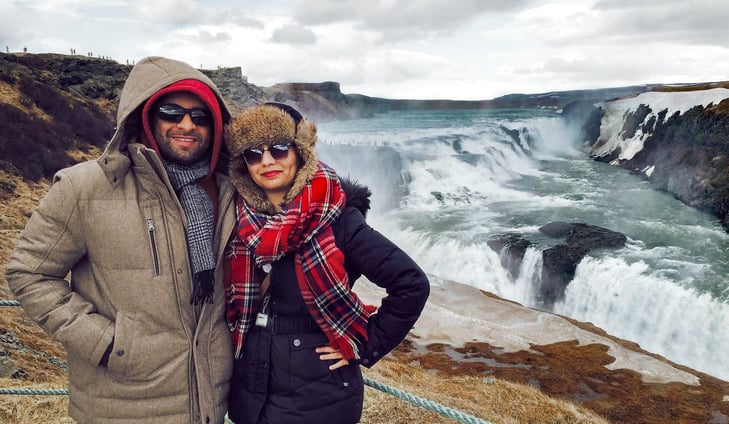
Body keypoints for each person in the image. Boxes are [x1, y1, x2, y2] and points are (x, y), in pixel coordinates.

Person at [5, 56, 235, 424]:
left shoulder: (227, 190)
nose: (187, 125)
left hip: (208, 402)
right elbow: (28, 273)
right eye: (171, 112)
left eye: (201, 115)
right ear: (145, 115)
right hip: (120, 405)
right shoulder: (85, 188)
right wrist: (105, 342)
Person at [223, 103, 430, 424]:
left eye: (278, 149)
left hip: (318, 400)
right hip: (252, 399)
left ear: (300, 151)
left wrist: (366, 343)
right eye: (253, 153)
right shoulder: (237, 219)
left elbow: (411, 283)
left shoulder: (338, 219)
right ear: (243, 166)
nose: (266, 161)